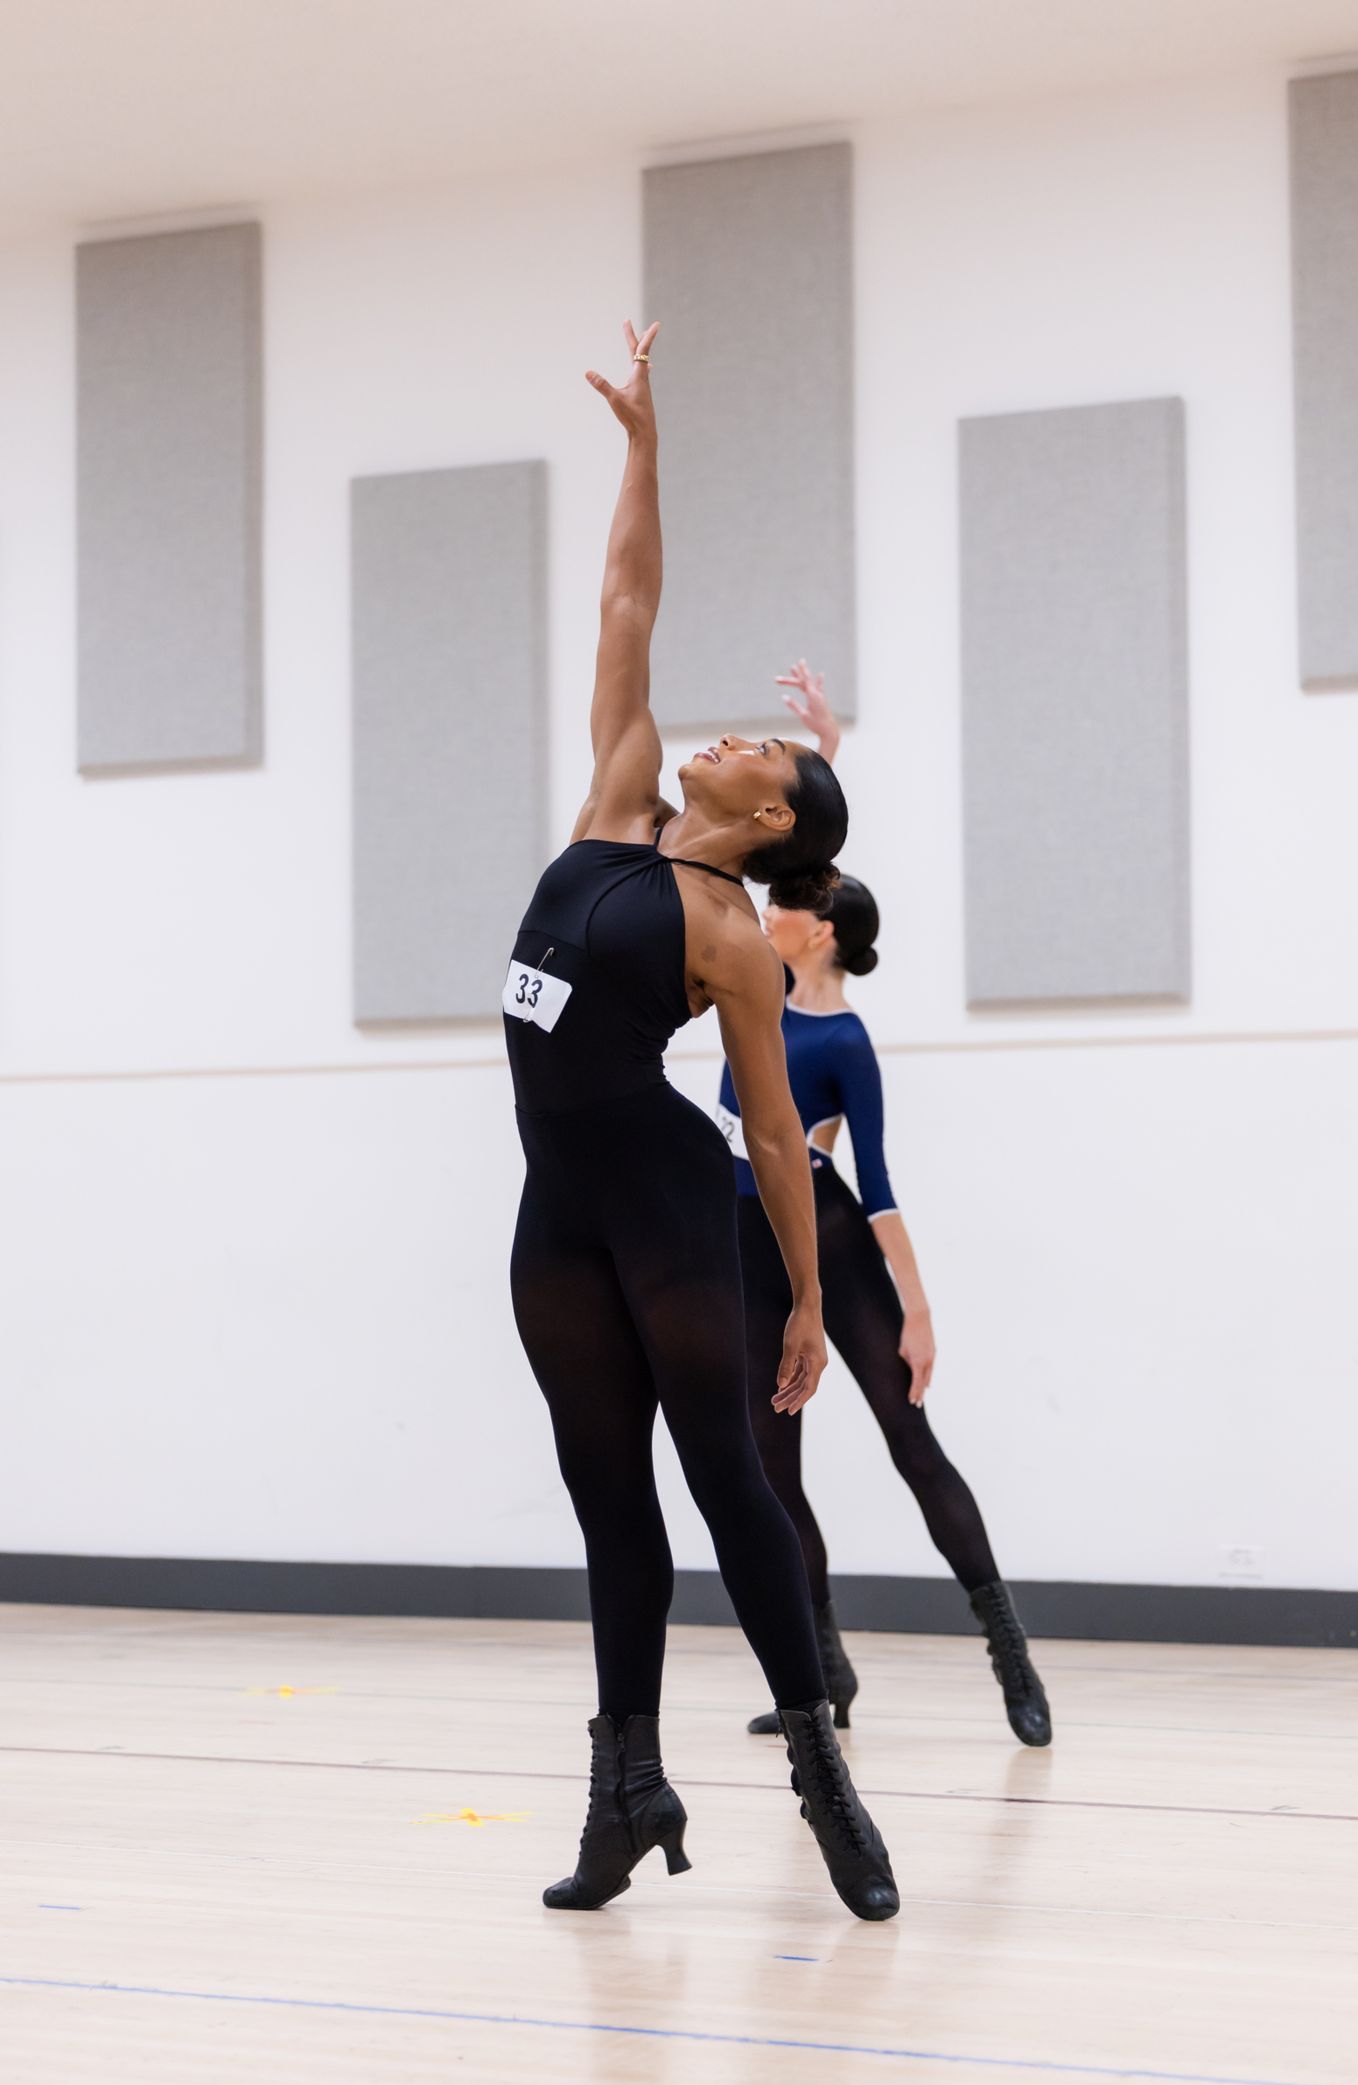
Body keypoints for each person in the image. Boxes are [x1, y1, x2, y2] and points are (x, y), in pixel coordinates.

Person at [503, 325, 899, 1921]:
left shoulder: (729, 934)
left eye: (766, 756)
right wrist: (642, 450)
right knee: (609, 1503)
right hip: (556, 1215)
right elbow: (625, 603)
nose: (731, 737)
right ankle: (628, 1790)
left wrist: (805, 1294)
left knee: (728, 1476)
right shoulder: (619, 800)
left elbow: (761, 1124)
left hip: (670, 1210)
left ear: (775, 819)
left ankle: (823, 1782)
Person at [719, 662, 1052, 1748]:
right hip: (741, 1242)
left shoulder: (842, 1040)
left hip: (828, 1238)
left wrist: (914, 1311)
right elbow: (797, 850)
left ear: (815, 930)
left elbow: (882, 1188)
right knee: (773, 1480)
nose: (765, 908)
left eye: (785, 906)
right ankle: (819, 1675)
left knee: (912, 1448)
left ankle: (1007, 1649)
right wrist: (824, 749)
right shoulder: (752, 986)